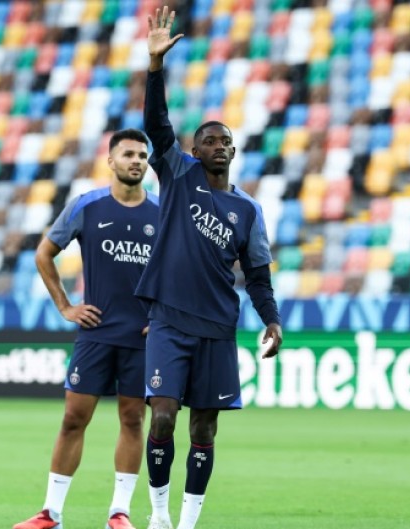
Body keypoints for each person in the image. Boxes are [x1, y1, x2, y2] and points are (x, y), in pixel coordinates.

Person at [136, 8, 284, 529]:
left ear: (234, 151)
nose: (219, 146)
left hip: (219, 327)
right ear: (195, 151)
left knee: (204, 430)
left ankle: (187, 522)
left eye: (226, 141)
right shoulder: (178, 174)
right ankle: (157, 516)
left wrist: (271, 318)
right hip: (171, 320)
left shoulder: (249, 210)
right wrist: (154, 67)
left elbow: (259, 275)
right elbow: (156, 125)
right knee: (163, 414)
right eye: (210, 141)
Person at [13, 129, 159, 529]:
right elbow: (44, 253)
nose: (137, 161)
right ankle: (51, 513)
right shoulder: (86, 206)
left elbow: (181, 272)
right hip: (95, 333)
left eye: (143, 155)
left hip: (142, 338)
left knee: (133, 421)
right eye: (128, 154)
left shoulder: (162, 212)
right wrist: (65, 306)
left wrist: (162, 319)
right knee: (73, 419)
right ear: (110, 161)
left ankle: (119, 512)